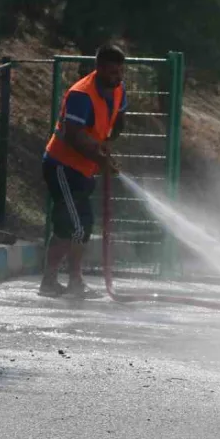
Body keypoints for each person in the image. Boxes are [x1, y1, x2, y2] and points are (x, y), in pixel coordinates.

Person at [40, 44, 129, 298]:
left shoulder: (119, 90)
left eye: (120, 72)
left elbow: (119, 119)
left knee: (72, 226)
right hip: (62, 166)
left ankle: (58, 281)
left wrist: (107, 145)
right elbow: (73, 136)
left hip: (84, 169)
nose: (118, 77)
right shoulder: (81, 94)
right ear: (98, 68)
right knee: (78, 225)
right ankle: (66, 281)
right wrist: (101, 160)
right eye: (112, 72)